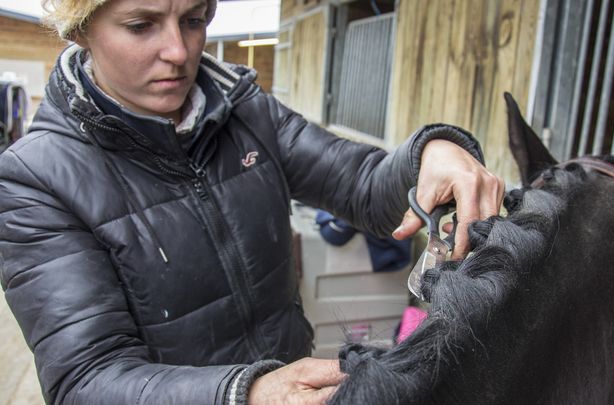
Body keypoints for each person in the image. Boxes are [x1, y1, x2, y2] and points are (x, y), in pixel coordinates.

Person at [0, 0, 504, 403]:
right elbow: (86, 378)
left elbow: (361, 183)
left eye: (194, 20)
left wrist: (428, 155)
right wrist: (246, 392)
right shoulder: (36, 179)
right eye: (140, 25)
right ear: (80, 29)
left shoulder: (246, 114)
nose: (178, 50)